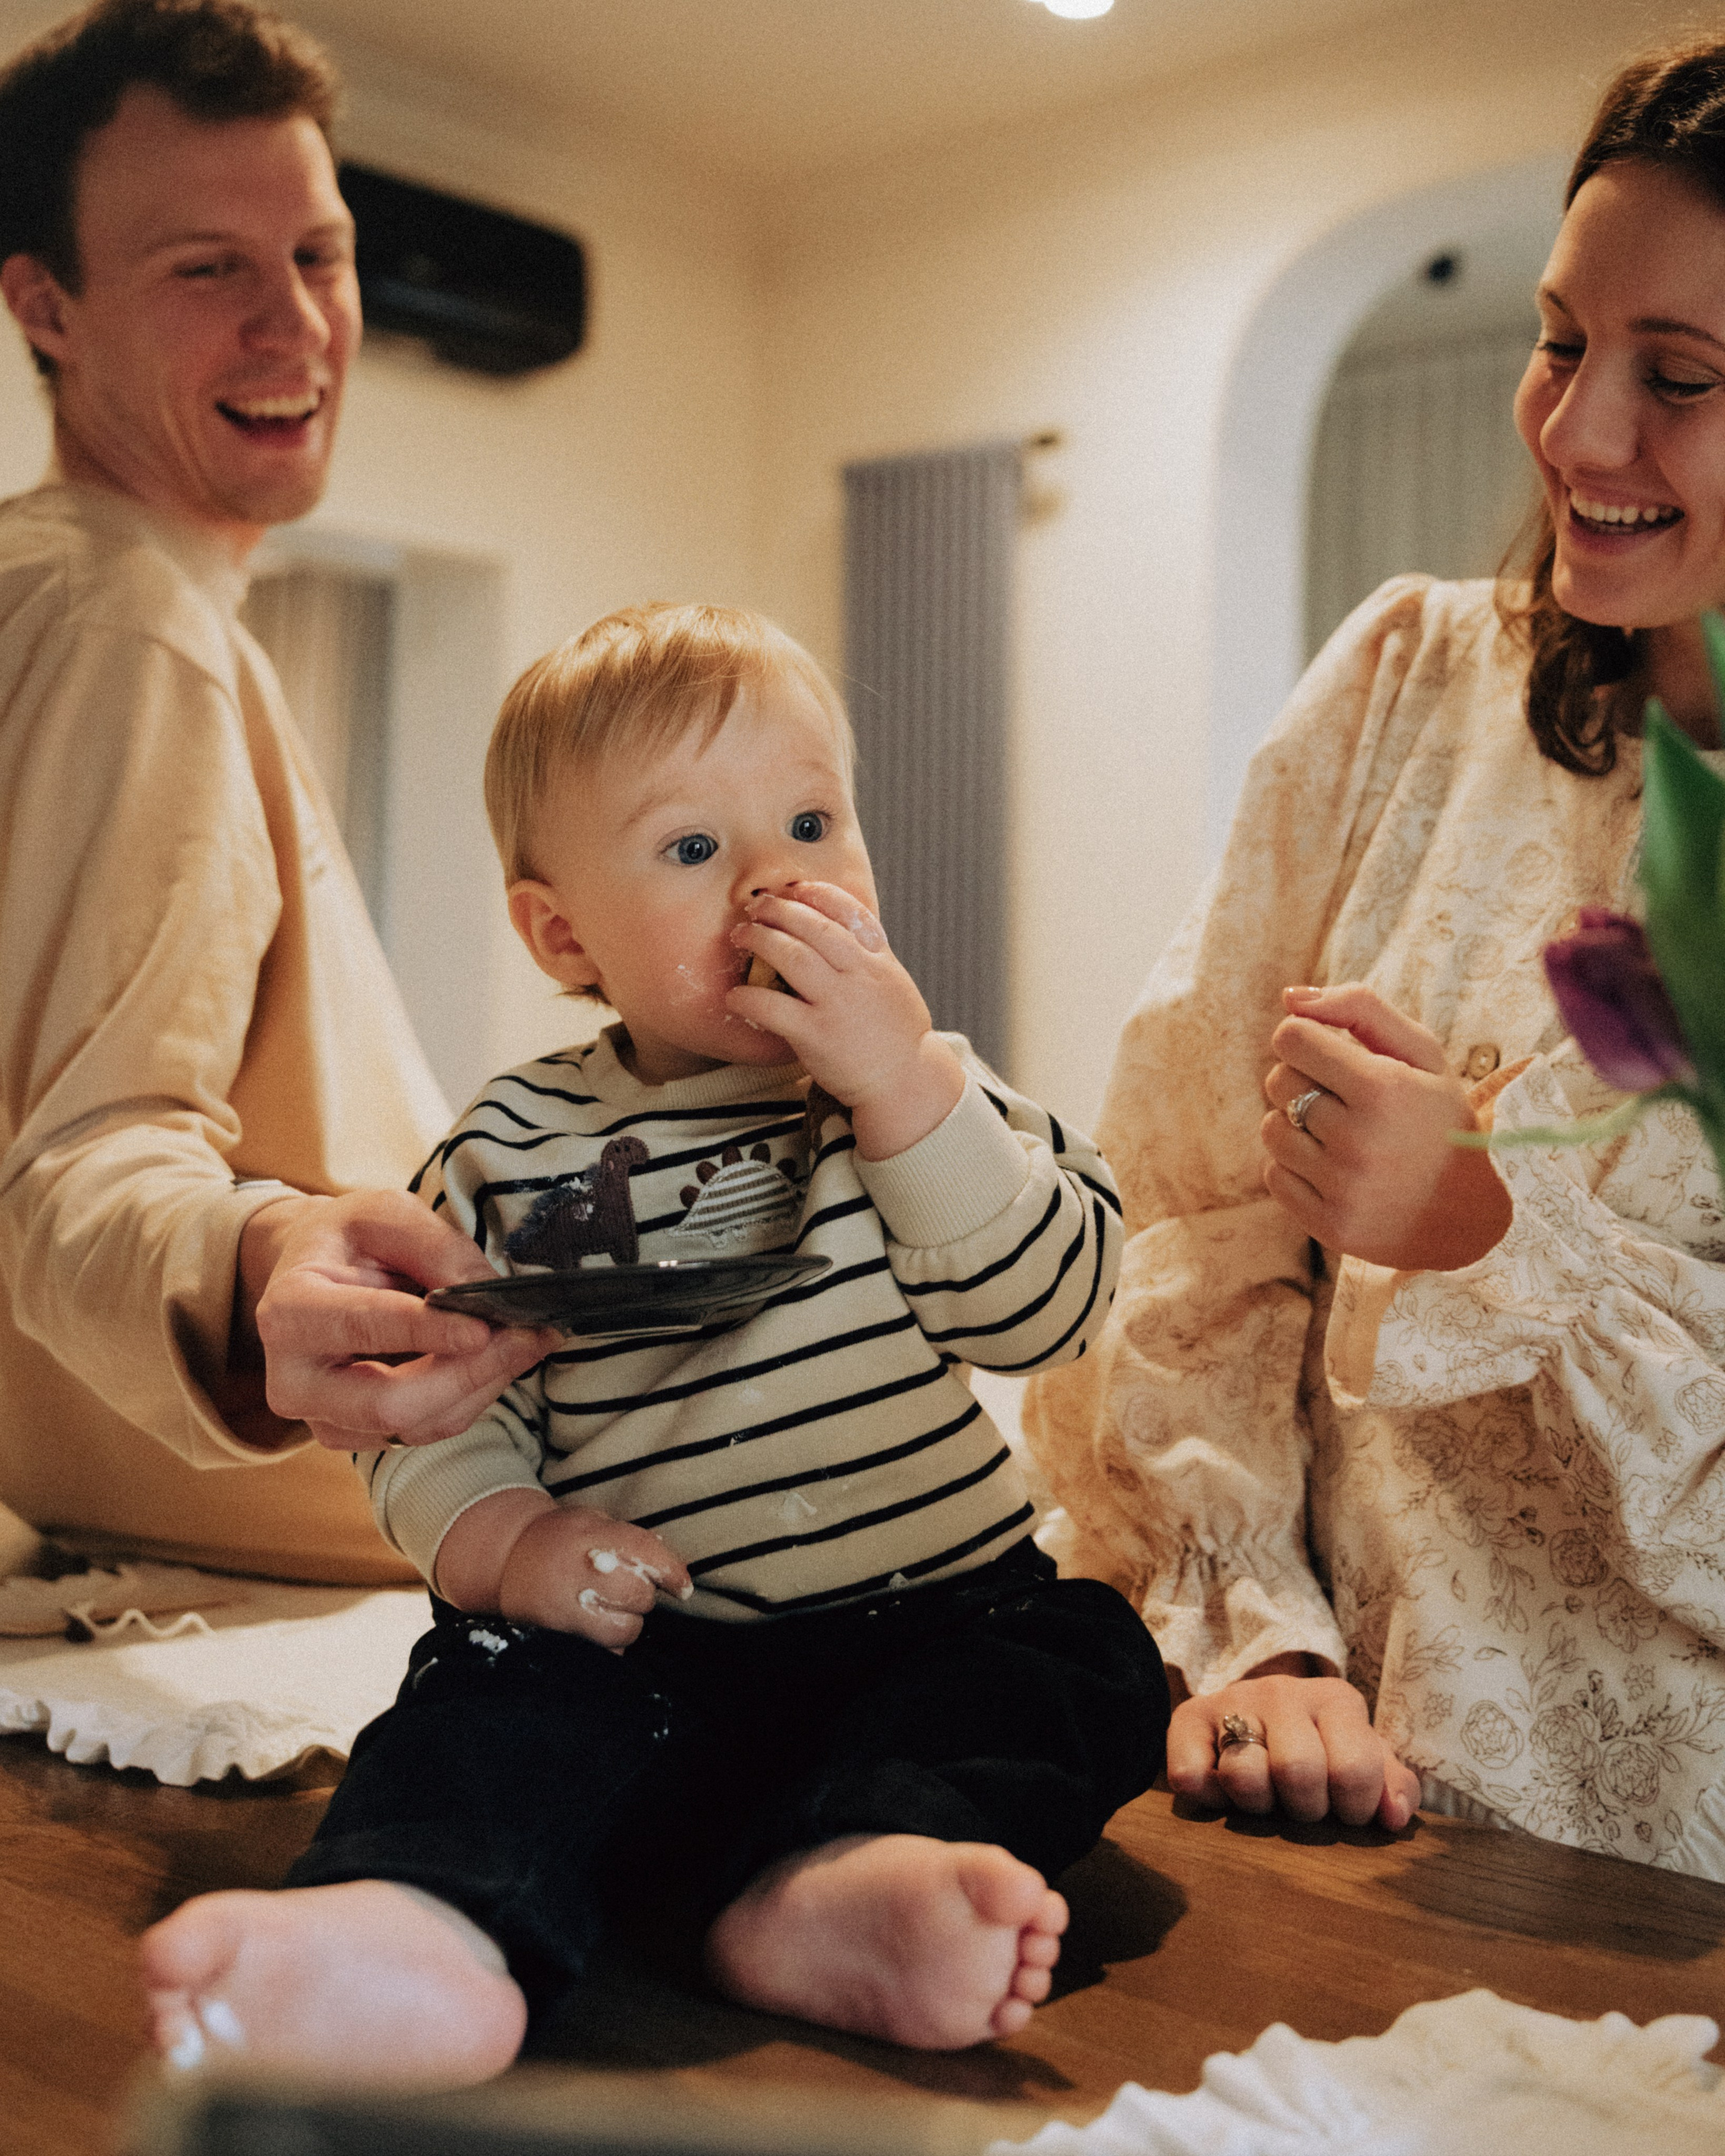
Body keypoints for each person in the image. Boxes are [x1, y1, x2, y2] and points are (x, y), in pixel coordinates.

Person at [137, 601, 1169, 2085]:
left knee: (1085, 1661)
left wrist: (904, 1095)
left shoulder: (921, 1090)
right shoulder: (513, 1151)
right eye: (693, 849)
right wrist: (506, 1537)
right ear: (565, 934)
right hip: (650, 1646)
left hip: (936, 1616)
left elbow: (1048, 1310)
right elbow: (444, 1403)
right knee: (493, 1689)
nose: (775, 880)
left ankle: (849, 1876)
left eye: (812, 821)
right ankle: (426, 1921)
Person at [1026, 37, 1725, 1874]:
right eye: (1564, 338)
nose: (1580, 433)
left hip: (1665, 1901)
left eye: (1683, 379)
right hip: (1307, 1803)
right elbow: (1188, 1204)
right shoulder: (1410, 684)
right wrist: (1254, 1622)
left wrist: (1507, 1233)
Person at [0, 0, 551, 1584]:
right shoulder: (129, 619)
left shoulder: (66, 592)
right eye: (206, 269)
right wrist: (257, 1256)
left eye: (317, 254)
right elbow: (84, 1162)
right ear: (47, 307)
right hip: (362, 1525)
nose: (295, 323)